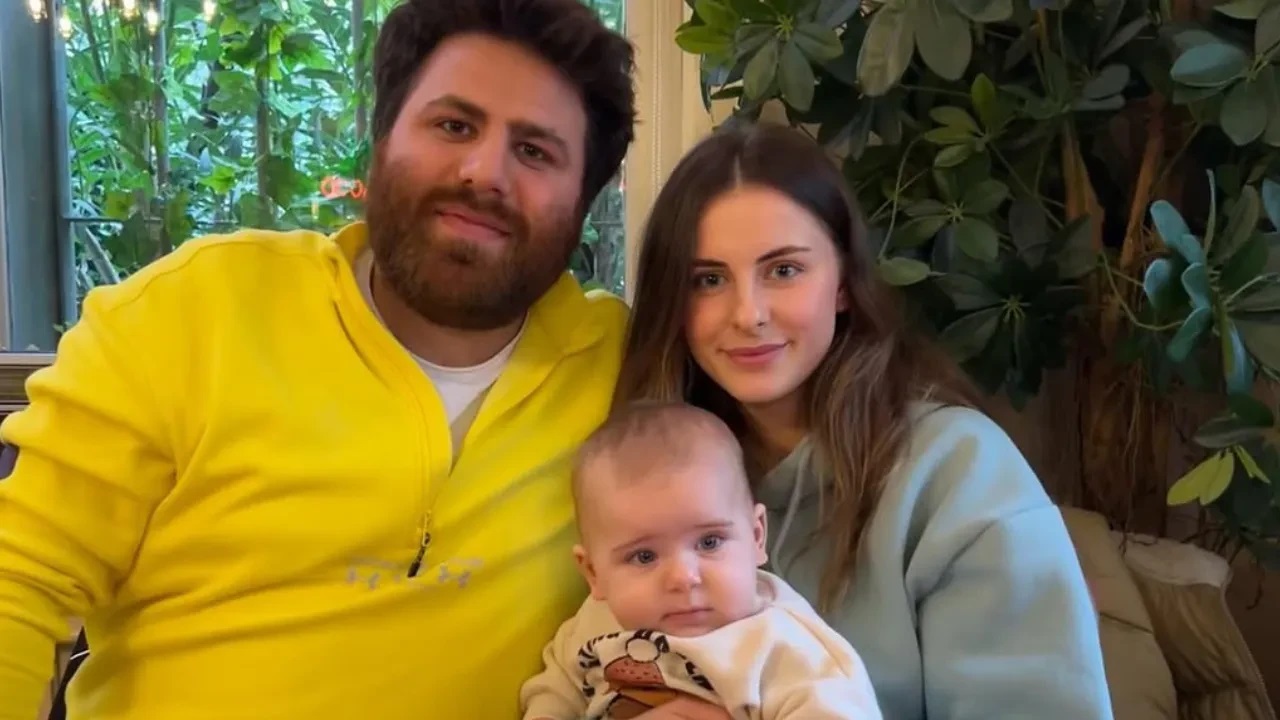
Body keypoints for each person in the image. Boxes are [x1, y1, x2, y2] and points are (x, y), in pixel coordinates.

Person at [0, 0, 635, 718]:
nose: (484, 171)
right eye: (454, 126)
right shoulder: (190, 313)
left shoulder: (621, 369)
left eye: (535, 152)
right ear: (381, 141)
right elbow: (20, 582)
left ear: (584, 199)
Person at [613, 123, 1113, 720]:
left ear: (844, 284)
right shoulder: (642, 472)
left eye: (784, 270)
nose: (748, 314)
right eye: (709, 280)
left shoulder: (960, 474)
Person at [520, 401, 883, 720]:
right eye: (644, 556)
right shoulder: (594, 622)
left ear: (756, 536)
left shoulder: (784, 649)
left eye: (709, 542)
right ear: (594, 573)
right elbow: (555, 690)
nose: (683, 577)